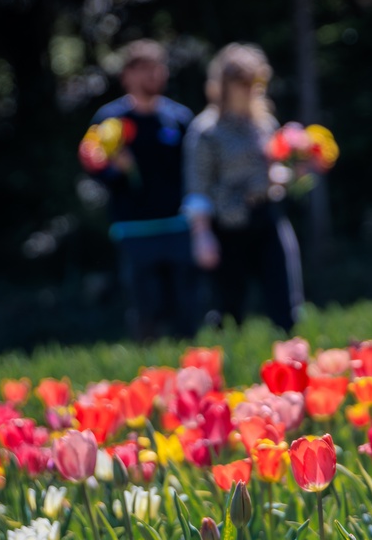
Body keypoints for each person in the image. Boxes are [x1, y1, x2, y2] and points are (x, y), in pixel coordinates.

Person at [182, 43, 304, 333]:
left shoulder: (264, 123)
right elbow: (197, 188)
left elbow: (275, 169)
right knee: (229, 310)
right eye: (243, 82)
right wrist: (202, 236)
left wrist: (293, 172)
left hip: (268, 216)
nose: (251, 89)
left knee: (285, 302)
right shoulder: (206, 131)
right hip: (228, 225)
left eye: (256, 82)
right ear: (224, 85)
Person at [81, 40, 198, 340]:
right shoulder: (109, 121)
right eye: (144, 69)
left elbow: (195, 171)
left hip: (177, 225)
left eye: (158, 68)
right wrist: (116, 169)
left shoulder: (180, 118)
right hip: (134, 230)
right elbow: (93, 170)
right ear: (127, 76)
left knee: (185, 307)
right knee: (147, 309)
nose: (153, 76)